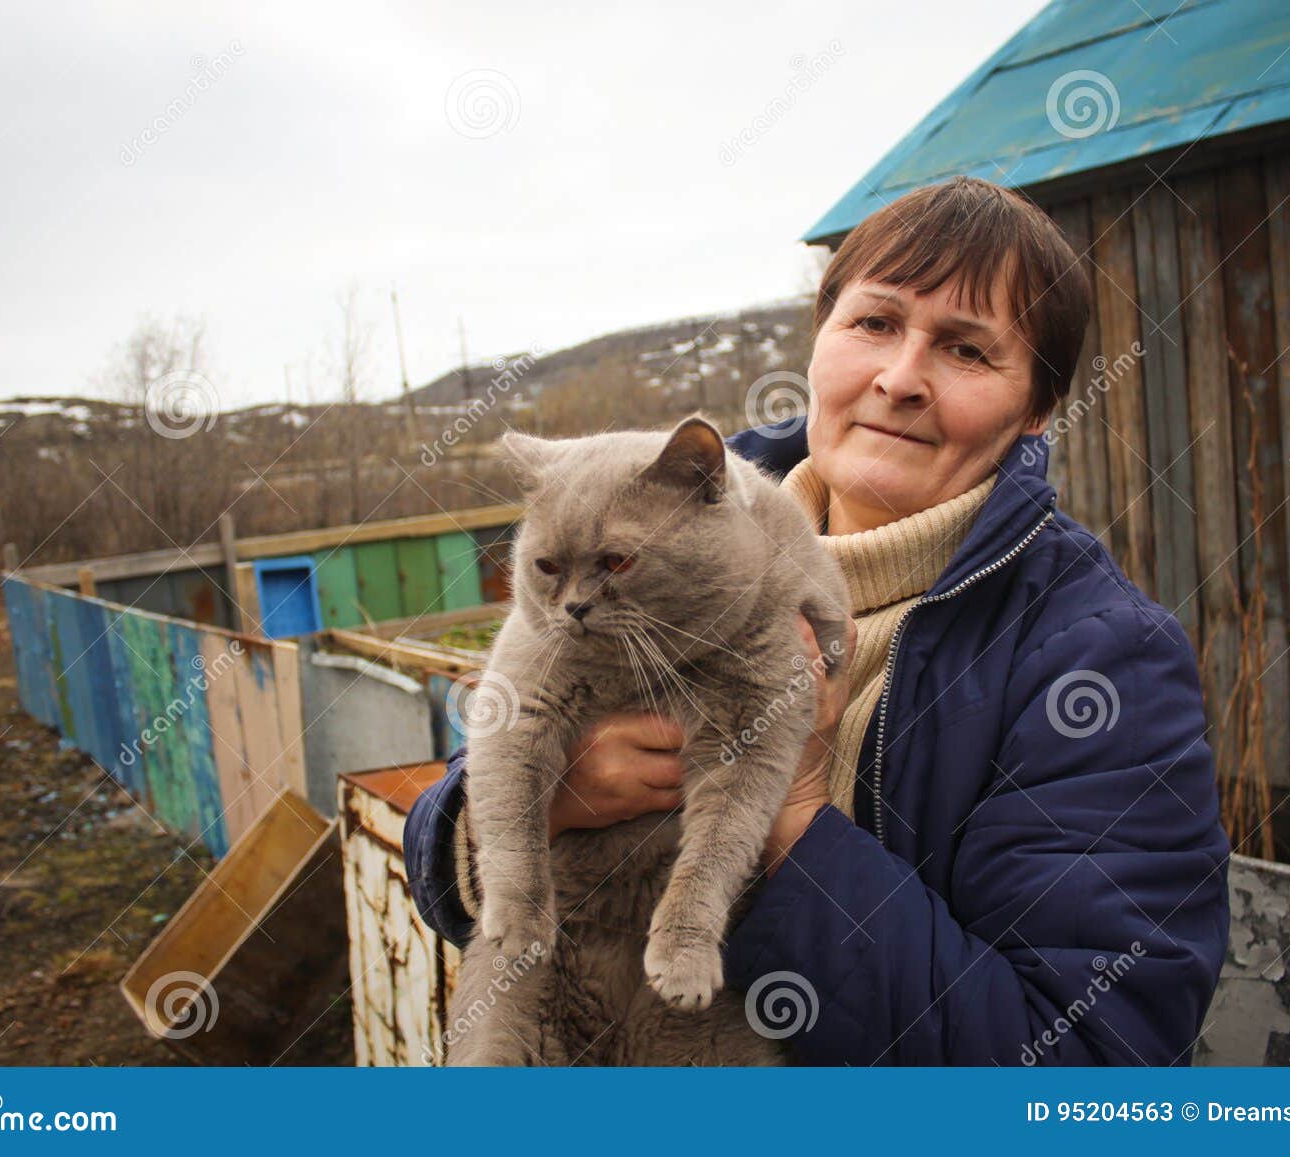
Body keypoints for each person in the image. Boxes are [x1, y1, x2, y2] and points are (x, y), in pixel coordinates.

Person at [404, 176, 1231, 1066]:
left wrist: (794, 812)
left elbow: (1085, 1067)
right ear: (819, 340)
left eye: (966, 350)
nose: (900, 378)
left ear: (1034, 410)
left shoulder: (1099, 660)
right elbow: (444, 845)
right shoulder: (644, 521)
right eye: (874, 323)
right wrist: (536, 811)